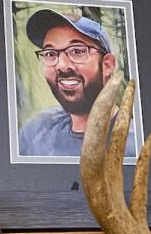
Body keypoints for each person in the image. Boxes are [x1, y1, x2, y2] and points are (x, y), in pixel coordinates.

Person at [17, 9, 138, 159]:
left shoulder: (133, 144)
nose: (61, 65)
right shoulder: (34, 133)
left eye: (77, 51)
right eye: (50, 54)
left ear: (107, 65)